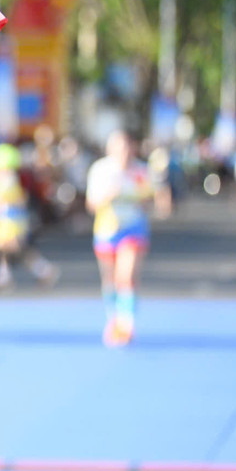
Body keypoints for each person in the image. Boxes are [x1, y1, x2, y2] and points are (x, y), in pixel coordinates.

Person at [85, 130, 153, 347]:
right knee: (110, 279)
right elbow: (91, 204)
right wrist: (109, 196)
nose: (122, 152)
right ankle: (112, 319)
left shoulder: (141, 171)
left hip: (133, 229)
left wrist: (140, 199)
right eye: (117, 147)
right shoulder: (100, 170)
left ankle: (126, 324)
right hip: (107, 229)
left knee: (126, 276)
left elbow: (149, 200)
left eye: (125, 147)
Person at [0, 142, 58, 288]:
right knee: (6, 250)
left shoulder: (5, 179)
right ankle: (5, 275)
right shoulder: (6, 178)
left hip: (9, 222)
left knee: (14, 250)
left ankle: (41, 270)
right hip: (6, 222)